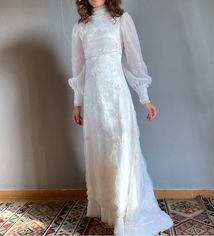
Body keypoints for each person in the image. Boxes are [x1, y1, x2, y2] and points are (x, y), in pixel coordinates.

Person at [68, 0, 173, 235]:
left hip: (116, 95)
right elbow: (79, 67)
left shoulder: (121, 20)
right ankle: (110, 209)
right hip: (94, 99)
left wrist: (144, 97)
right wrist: (77, 103)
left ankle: (128, 210)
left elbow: (134, 59)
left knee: (122, 147)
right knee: (101, 148)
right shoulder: (80, 27)